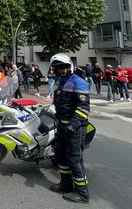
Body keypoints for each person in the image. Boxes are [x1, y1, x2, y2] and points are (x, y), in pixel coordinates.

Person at [49, 53, 90, 203]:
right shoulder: (60, 81)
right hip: (61, 125)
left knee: (74, 159)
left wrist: (73, 125)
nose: (61, 70)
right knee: (60, 156)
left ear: (69, 66)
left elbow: (84, 108)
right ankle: (66, 184)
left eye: (63, 67)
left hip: (75, 127)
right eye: (58, 67)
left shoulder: (78, 82)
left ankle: (82, 193)